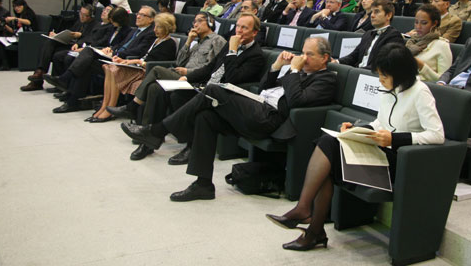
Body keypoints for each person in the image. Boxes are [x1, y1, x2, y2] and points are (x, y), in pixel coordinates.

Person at [266, 42, 444, 251]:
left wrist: (396, 139)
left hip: (399, 162)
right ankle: (312, 227)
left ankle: (308, 219)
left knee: (327, 153)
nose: (380, 80)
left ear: (401, 73)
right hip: (380, 152)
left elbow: (437, 135)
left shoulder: (420, 92)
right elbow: (381, 122)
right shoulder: (390, 89)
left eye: (384, 76)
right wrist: (359, 129)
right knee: (328, 145)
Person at [124, 36, 337, 201]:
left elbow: (297, 100)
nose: (303, 58)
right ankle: (203, 184)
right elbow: (264, 89)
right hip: (257, 107)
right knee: (206, 117)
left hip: (270, 120)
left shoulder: (325, 79)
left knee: (214, 90)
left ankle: (157, 131)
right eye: (303, 53)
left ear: (325, 58)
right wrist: (276, 67)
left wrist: (292, 70)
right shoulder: (297, 72)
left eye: (309, 54)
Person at [117, 13, 265, 161]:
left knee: (178, 95)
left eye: (244, 27)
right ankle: (147, 143)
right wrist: (187, 77)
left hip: (221, 95)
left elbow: (233, 79)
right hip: (204, 86)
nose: (238, 30)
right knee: (156, 89)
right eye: (237, 26)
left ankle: (187, 144)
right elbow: (209, 68)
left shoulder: (256, 55)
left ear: (254, 32)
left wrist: (232, 51)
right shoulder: (229, 45)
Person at [45, 7, 156, 113]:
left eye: (142, 15)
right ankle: (72, 99)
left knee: (88, 55)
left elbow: (139, 51)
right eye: (138, 14)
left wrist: (116, 53)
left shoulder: (150, 33)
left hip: (125, 62)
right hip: (115, 57)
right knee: (87, 61)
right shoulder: (135, 31)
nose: (138, 17)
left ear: (151, 19)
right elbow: (120, 44)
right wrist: (111, 49)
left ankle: (68, 86)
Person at [90, 13, 177, 122]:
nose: (155, 30)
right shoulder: (156, 40)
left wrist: (136, 61)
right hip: (140, 67)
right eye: (155, 26)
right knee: (108, 67)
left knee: (114, 70)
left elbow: (159, 64)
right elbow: (144, 57)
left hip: (148, 71)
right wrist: (124, 61)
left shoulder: (169, 43)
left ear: (166, 27)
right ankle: (104, 106)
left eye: (158, 27)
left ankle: (109, 110)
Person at [20, 5, 97, 91]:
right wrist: (57, 35)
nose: (81, 16)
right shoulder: (79, 22)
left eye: (84, 15)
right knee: (49, 43)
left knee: (57, 55)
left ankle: (41, 80)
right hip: (70, 43)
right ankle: (39, 72)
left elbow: (91, 38)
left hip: (78, 47)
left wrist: (80, 37)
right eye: (80, 13)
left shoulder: (95, 25)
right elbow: (69, 32)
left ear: (91, 16)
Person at [336, 0, 403, 68]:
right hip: (359, 73)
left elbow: (383, 64)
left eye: (376, 12)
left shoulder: (394, 37)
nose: (372, 15)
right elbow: (353, 56)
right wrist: (337, 61)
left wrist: (360, 71)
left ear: (388, 15)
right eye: (372, 12)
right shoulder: (368, 34)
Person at [407, 5, 452, 81]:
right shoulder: (411, 42)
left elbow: (443, 81)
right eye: (416, 22)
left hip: (426, 87)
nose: (418, 26)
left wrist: (422, 66)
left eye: (424, 23)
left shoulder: (442, 45)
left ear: (434, 23)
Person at [0, 0, 37, 70]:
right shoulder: (19, 15)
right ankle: (1, 63)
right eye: (14, 7)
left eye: (19, 6)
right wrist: (4, 25)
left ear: (24, 6)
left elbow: (29, 22)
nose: (16, 8)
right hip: (18, 37)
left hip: (28, 38)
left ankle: (5, 64)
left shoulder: (28, 12)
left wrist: (14, 18)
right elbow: (14, 31)